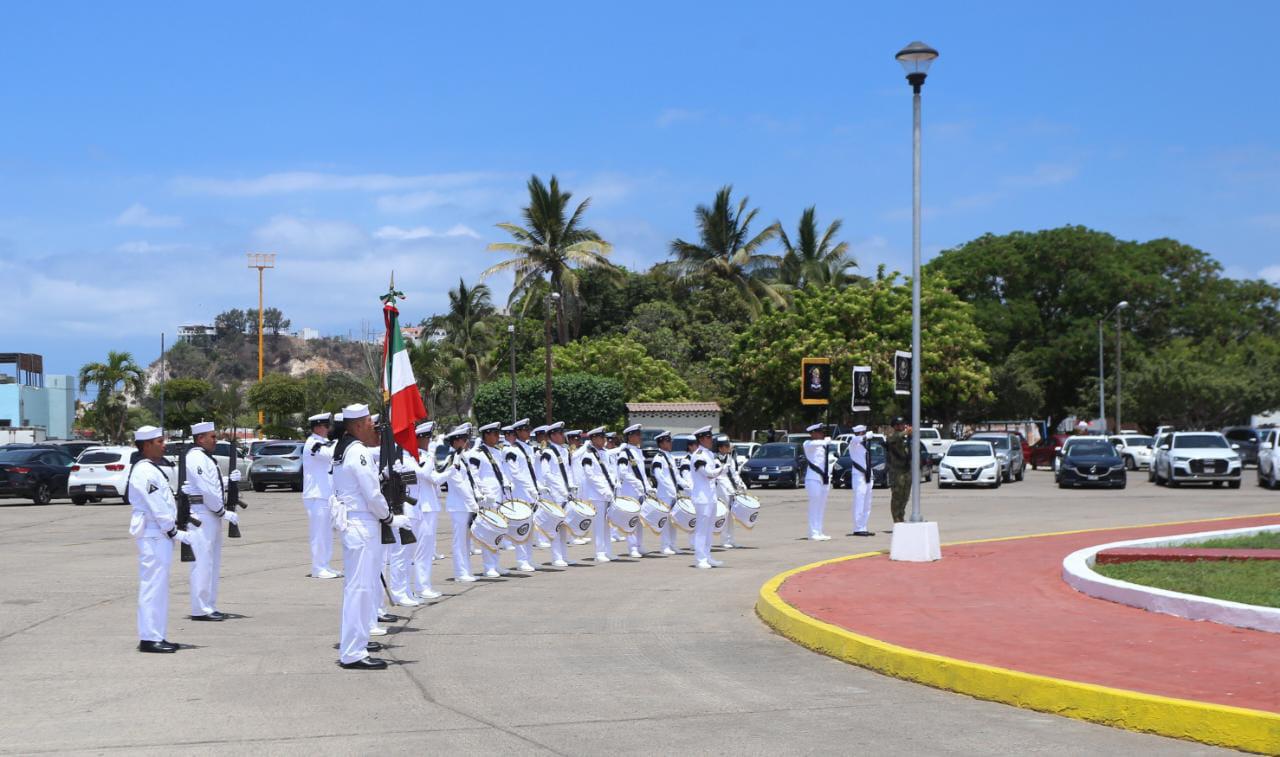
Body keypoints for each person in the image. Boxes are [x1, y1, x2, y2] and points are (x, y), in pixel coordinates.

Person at [331, 403, 412, 670]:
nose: (373, 427)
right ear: (355, 426)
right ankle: (353, 652)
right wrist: (390, 517)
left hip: (358, 525)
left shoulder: (346, 449)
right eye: (368, 422)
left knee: (359, 588)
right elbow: (371, 495)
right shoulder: (358, 452)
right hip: (363, 526)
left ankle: (356, 643)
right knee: (361, 590)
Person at [128, 425, 193, 653]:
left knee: (159, 586)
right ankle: (149, 638)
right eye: (159, 442)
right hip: (154, 533)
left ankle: (157, 634)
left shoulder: (152, 469)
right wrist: (173, 531)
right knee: (153, 586)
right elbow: (157, 506)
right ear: (146, 445)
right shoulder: (145, 471)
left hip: (159, 533)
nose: (164, 445)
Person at [181, 421, 241, 621]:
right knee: (203, 563)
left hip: (209, 514)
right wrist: (222, 511)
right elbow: (206, 490)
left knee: (212, 563)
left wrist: (228, 481)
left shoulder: (205, 458)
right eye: (212, 437)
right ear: (200, 438)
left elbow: (211, 484)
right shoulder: (196, 458)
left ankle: (209, 605)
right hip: (201, 514)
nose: (216, 440)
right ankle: (200, 608)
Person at [403, 421, 443, 600]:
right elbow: (424, 474)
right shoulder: (417, 457)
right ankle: (419, 587)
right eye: (426, 438)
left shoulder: (425, 456)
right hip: (421, 507)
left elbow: (435, 479)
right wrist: (432, 455)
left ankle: (423, 585)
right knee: (416, 551)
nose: (428, 441)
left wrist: (451, 468)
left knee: (425, 550)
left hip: (430, 506)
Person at [301, 413, 341, 579]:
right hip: (316, 495)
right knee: (319, 533)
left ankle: (325, 565)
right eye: (325, 426)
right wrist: (340, 440)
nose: (328, 429)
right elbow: (330, 455)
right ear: (317, 427)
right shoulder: (313, 444)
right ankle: (318, 567)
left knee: (326, 533)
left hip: (326, 494)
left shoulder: (324, 443)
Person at [470, 422, 512, 577]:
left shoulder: (497, 452)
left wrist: (507, 483)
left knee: (498, 532)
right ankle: (488, 566)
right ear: (486, 434)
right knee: (489, 532)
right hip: (488, 498)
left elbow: (501, 471)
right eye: (494, 434)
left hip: (499, 496)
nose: (497, 437)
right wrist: (482, 493)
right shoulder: (477, 453)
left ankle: (496, 563)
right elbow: (474, 476)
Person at [503, 418, 544, 572]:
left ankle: (529, 559)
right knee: (521, 527)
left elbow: (531, 472)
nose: (528, 433)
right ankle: (521, 560)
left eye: (528, 430)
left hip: (530, 492)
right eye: (525, 430)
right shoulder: (511, 450)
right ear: (518, 432)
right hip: (520, 492)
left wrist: (537, 486)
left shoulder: (528, 448)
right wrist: (530, 487)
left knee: (530, 527)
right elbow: (516, 473)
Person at [441, 424, 480, 582]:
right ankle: (459, 573)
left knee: (466, 540)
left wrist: (477, 495)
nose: (466, 442)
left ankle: (466, 570)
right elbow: (458, 484)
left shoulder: (461, 457)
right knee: (460, 541)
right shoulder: (452, 458)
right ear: (456, 441)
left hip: (466, 504)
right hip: (459, 505)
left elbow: (469, 481)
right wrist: (472, 503)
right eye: (464, 439)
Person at [574, 427, 617, 562]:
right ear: (593, 439)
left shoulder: (605, 453)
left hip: (608, 492)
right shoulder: (588, 455)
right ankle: (599, 552)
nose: (604, 440)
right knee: (599, 525)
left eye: (604, 437)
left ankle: (608, 551)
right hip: (597, 494)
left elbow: (610, 471)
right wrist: (604, 490)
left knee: (607, 524)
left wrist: (614, 485)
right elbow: (590, 475)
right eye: (600, 437)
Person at [538, 422, 576, 567]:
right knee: (555, 526)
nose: (563, 436)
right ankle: (556, 557)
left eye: (563, 433)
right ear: (552, 435)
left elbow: (568, 471)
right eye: (560, 433)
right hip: (555, 494)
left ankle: (564, 556)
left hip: (565, 493)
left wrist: (571, 486)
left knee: (564, 527)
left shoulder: (564, 451)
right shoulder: (548, 452)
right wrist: (561, 489)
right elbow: (546, 474)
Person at [688, 426, 724, 569]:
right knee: (702, 529)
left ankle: (708, 556)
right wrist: (721, 470)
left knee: (709, 529)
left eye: (711, 437)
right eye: (709, 438)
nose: (711, 440)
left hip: (710, 496)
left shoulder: (709, 454)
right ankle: (700, 558)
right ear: (701, 439)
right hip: (702, 498)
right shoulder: (698, 455)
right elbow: (707, 473)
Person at [615, 423, 651, 558]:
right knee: (631, 520)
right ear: (630, 437)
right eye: (637, 435)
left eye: (639, 434)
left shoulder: (638, 451)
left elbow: (642, 473)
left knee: (640, 520)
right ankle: (632, 547)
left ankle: (639, 545)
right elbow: (622, 472)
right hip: (630, 490)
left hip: (640, 490)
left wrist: (647, 486)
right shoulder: (624, 453)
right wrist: (636, 483)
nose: (639, 437)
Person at [650, 431, 686, 556]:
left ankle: (673, 544)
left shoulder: (671, 457)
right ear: (662, 443)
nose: (671, 443)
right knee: (665, 521)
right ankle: (664, 546)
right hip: (665, 493)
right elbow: (659, 476)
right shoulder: (658, 458)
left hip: (673, 493)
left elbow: (676, 476)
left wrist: (687, 486)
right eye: (668, 441)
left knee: (674, 521)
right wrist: (670, 488)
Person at [802, 423, 835, 541]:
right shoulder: (808, 444)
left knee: (821, 506)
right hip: (813, 478)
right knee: (814, 506)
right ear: (813, 433)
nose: (822, 434)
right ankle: (812, 532)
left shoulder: (822, 446)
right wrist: (825, 441)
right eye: (820, 432)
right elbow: (815, 443)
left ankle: (819, 531)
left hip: (824, 479)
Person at [714, 436, 746, 548]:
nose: (729, 448)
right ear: (720, 448)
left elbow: (734, 473)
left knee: (731, 516)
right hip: (720, 489)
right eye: (727, 446)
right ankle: (724, 540)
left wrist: (740, 484)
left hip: (730, 489)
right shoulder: (714, 459)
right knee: (724, 514)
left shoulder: (730, 458)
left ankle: (731, 539)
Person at [847, 425, 875, 536]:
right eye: (862, 433)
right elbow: (857, 439)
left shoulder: (866, 444)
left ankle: (863, 526)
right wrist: (865, 436)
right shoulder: (853, 443)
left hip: (868, 474)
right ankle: (858, 527)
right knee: (859, 500)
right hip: (859, 475)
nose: (864, 434)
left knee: (867, 502)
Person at [886, 417, 913, 524]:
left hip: (907, 470)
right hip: (896, 471)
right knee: (897, 496)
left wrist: (910, 435)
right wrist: (905, 432)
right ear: (895, 426)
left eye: (903, 424)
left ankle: (901, 516)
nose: (903, 426)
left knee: (905, 496)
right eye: (900, 425)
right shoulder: (892, 436)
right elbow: (892, 439)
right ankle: (896, 519)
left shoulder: (905, 437)